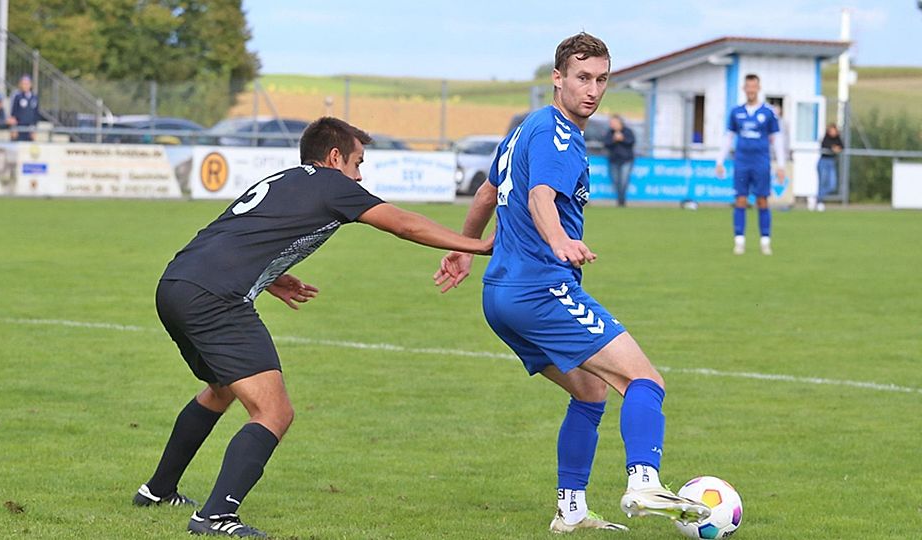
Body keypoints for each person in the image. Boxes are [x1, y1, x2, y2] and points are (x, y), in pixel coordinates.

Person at [134, 117, 492, 538]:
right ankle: (214, 517)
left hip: (176, 284)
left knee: (221, 388)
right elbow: (403, 223)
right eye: (358, 162)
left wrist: (270, 276)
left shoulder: (285, 179)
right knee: (274, 411)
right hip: (215, 299)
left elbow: (240, 236)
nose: (360, 175)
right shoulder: (332, 183)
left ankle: (157, 491)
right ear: (334, 157)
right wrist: (477, 245)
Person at [433, 32, 710, 535]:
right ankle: (644, 481)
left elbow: (487, 192)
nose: (593, 89)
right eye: (583, 77)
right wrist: (559, 238)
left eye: (602, 79)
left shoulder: (526, 128)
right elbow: (541, 195)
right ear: (557, 79)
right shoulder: (557, 132)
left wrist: (465, 246)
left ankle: (571, 509)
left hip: (501, 297)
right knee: (644, 381)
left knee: (589, 393)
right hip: (542, 290)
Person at [715, 74, 786, 255]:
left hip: (761, 161)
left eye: (754, 87)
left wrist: (781, 165)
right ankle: (739, 240)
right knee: (740, 199)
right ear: (744, 89)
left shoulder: (768, 113)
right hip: (742, 161)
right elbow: (729, 137)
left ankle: (765, 241)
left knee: (762, 200)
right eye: (748, 87)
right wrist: (720, 161)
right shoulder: (736, 112)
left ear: (758, 88)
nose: (751, 90)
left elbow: (777, 139)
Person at [602, 115, 635, 207]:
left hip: (626, 160)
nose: (612, 125)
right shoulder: (610, 133)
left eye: (614, 122)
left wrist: (622, 139)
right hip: (614, 160)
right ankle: (620, 199)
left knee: (623, 181)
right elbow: (606, 143)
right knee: (616, 181)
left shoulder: (628, 132)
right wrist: (614, 139)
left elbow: (631, 142)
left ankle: (621, 201)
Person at [816, 123, 843, 212]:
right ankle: (819, 201)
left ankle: (817, 197)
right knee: (822, 182)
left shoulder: (837, 138)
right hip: (823, 162)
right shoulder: (826, 138)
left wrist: (836, 148)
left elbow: (842, 146)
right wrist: (833, 148)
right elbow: (826, 145)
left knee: (832, 185)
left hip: (831, 162)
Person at [10, 74, 41, 141]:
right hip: (19, 127)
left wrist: (34, 128)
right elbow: (13, 113)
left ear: (30, 84)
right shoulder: (17, 97)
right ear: (20, 85)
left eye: (27, 84)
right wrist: (14, 128)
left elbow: (36, 114)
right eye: (23, 84)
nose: (25, 86)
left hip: (30, 128)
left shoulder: (34, 97)